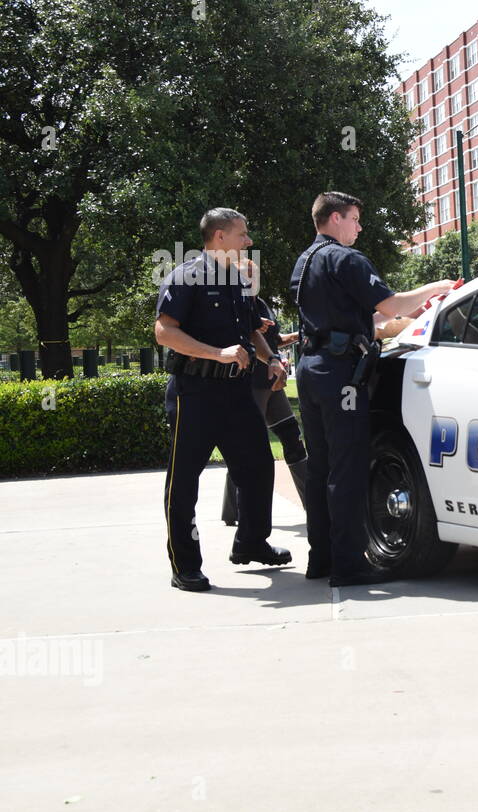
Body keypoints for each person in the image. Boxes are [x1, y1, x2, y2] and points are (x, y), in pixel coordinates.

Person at [291, 191, 453, 587]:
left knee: (321, 467)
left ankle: (323, 558)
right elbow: (392, 305)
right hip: (341, 373)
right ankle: (349, 565)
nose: (359, 227)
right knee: (346, 469)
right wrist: (437, 287)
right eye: (354, 218)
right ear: (333, 218)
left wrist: (405, 311)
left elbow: (372, 315)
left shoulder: (306, 260)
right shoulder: (345, 259)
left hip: (312, 368)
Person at [155, 208, 292, 592]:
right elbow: (164, 332)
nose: (248, 241)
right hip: (193, 394)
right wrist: (218, 354)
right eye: (242, 235)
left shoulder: (237, 279)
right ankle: (185, 565)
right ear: (218, 236)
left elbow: (250, 328)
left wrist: (272, 358)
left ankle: (251, 542)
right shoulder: (185, 276)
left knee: (259, 467)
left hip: (235, 392)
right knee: (183, 482)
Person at [221, 295, 309, 525]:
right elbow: (229, 337)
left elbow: (272, 340)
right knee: (245, 447)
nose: (251, 279)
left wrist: (297, 337)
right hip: (250, 384)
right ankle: (234, 512)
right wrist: (249, 325)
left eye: (254, 274)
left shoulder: (261, 305)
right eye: (246, 274)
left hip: (273, 383)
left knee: (292, 439)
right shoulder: (233, 304)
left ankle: (315, 506)